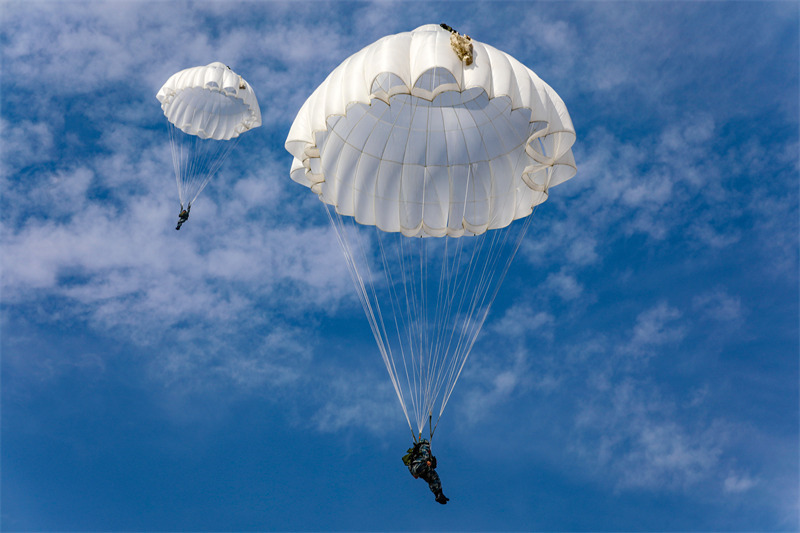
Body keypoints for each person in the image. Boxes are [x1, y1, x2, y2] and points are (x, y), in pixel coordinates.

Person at [403, 439, 449, 504]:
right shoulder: (424, 446)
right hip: (420, 465)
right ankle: (439, 494)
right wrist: (427, 461)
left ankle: (438, 495)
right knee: (434, 477)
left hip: (415, 470)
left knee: (430, 479)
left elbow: (414, 474)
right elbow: (425, 454)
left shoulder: (414, 453)